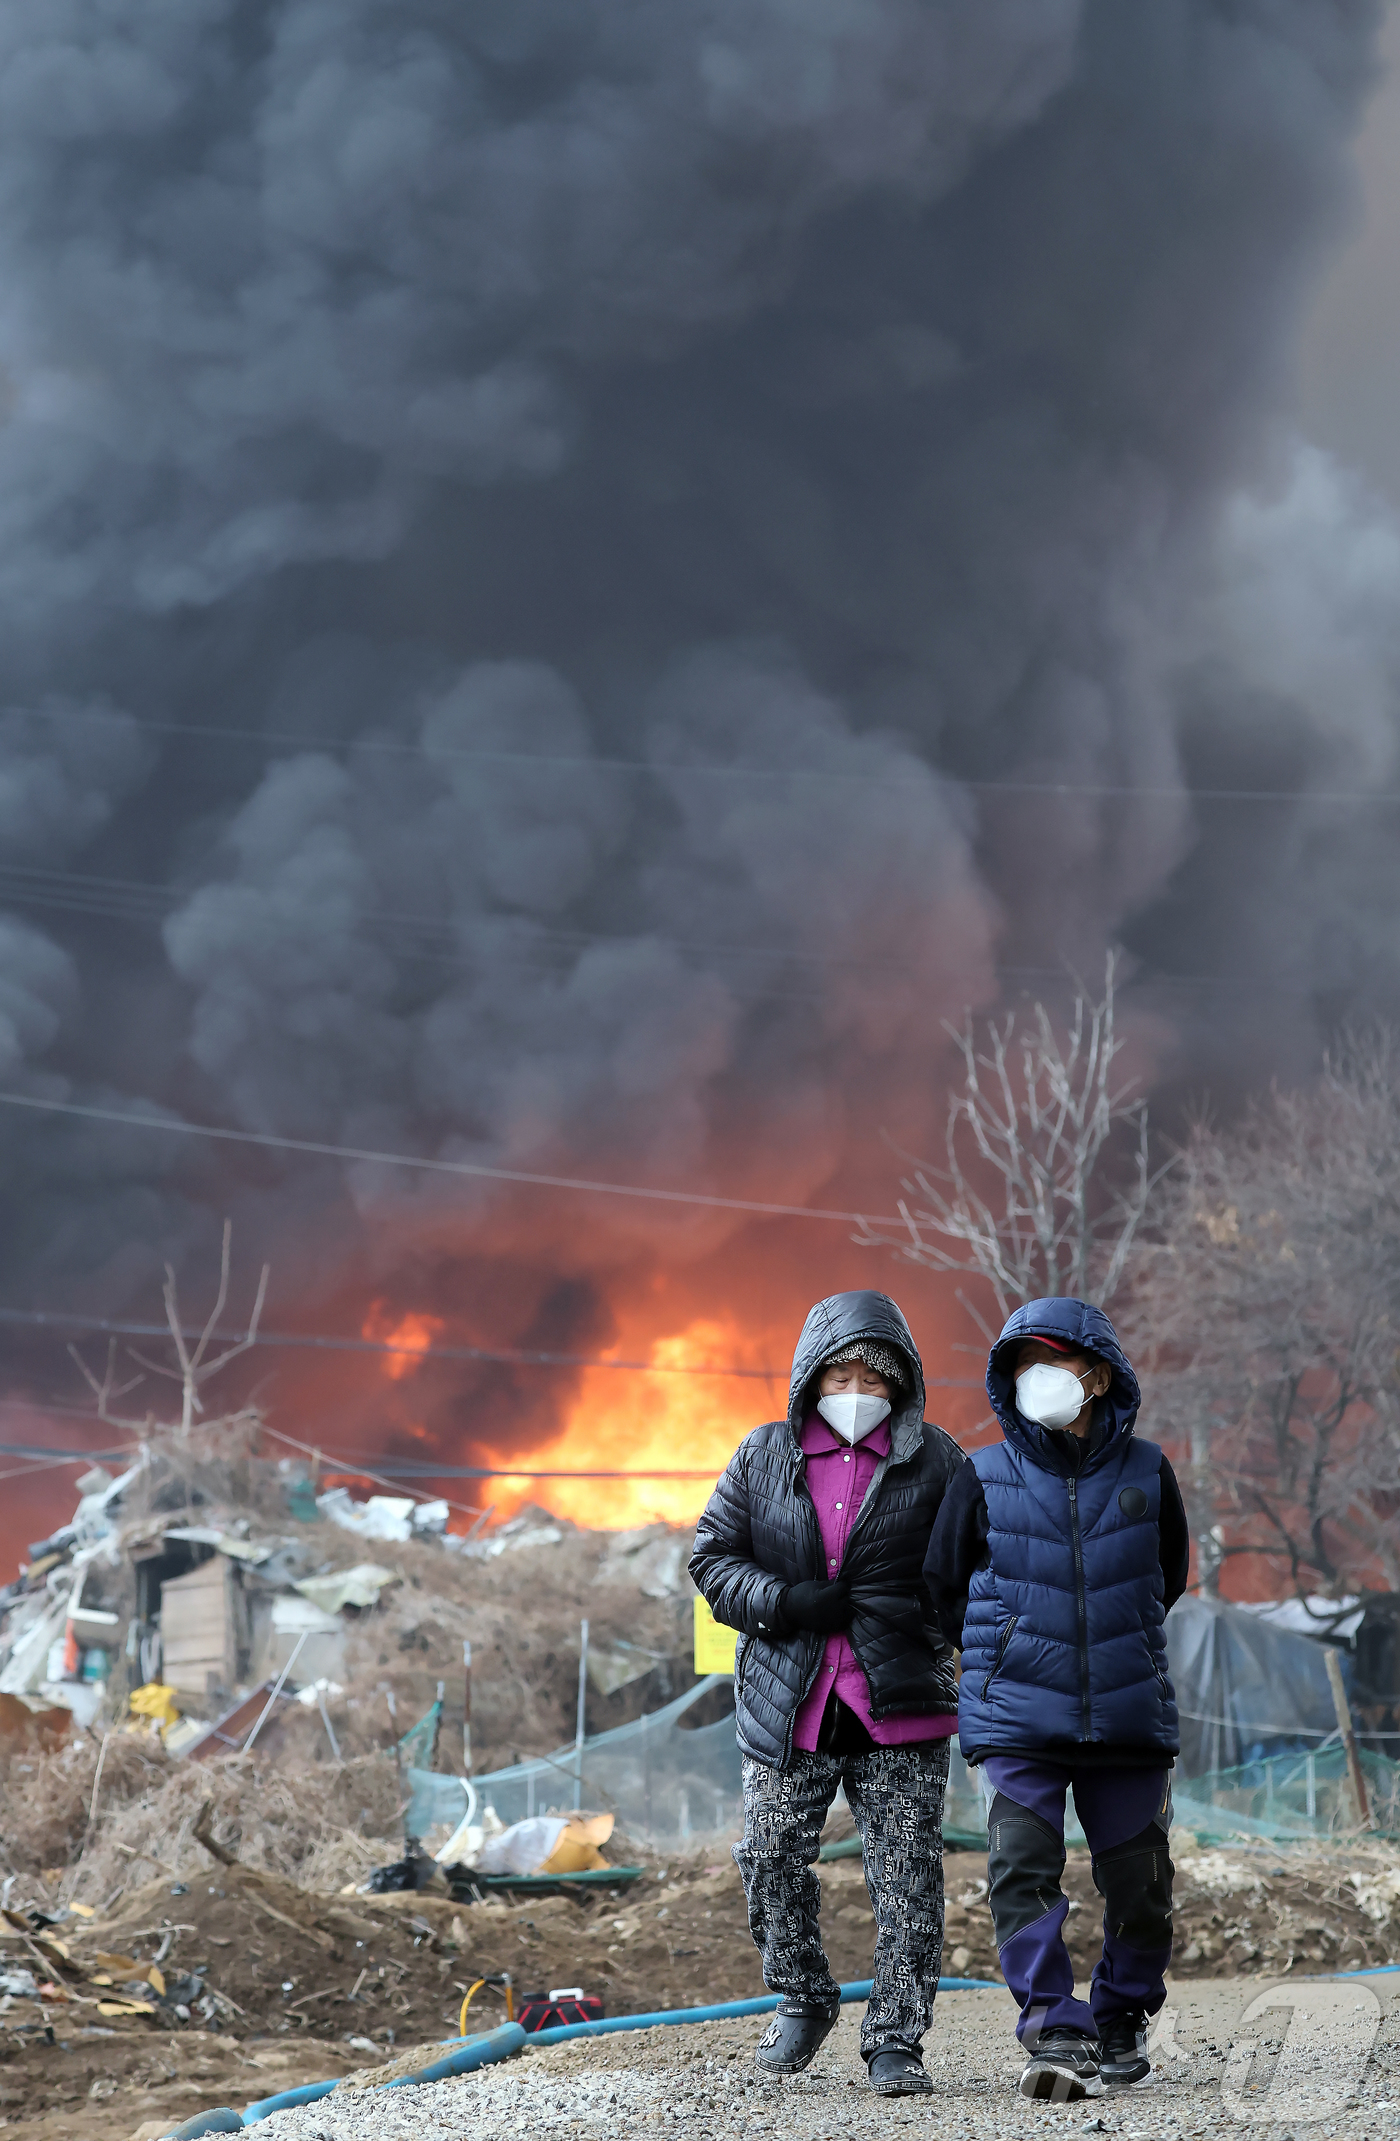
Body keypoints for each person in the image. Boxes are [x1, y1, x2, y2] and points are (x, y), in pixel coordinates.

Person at [689, 1290, 964, 2096]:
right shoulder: (762, 1454)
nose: (855, 1390)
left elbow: (972, 1569)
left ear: (899, 1384)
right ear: (811, 1377)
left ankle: (896, 2038)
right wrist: (784, 1601)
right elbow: (713, 1558)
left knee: (908, 1877)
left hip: (900, 1703)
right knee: (769, 1854)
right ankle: (804, 1995)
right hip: (790, 1701)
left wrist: (929, 1622)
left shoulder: (937, 1460)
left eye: (873, 1378)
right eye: (840, 1374)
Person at [925, 1296, 1190, 2103]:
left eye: (1054, 1360)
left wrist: (1111, 1644)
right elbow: (943, 1587)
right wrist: (1006, 1650)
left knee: (1143, 1888)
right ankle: (1055, 2028)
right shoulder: (981, 1474)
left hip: (1127, 1716)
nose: (1037, 1377)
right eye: (1022, 1364)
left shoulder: (1149, 1470)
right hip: (1016, 1718)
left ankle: (1120, 2017)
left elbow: (1167, 1576)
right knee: (1022, 1873)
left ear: (1098, 1376)